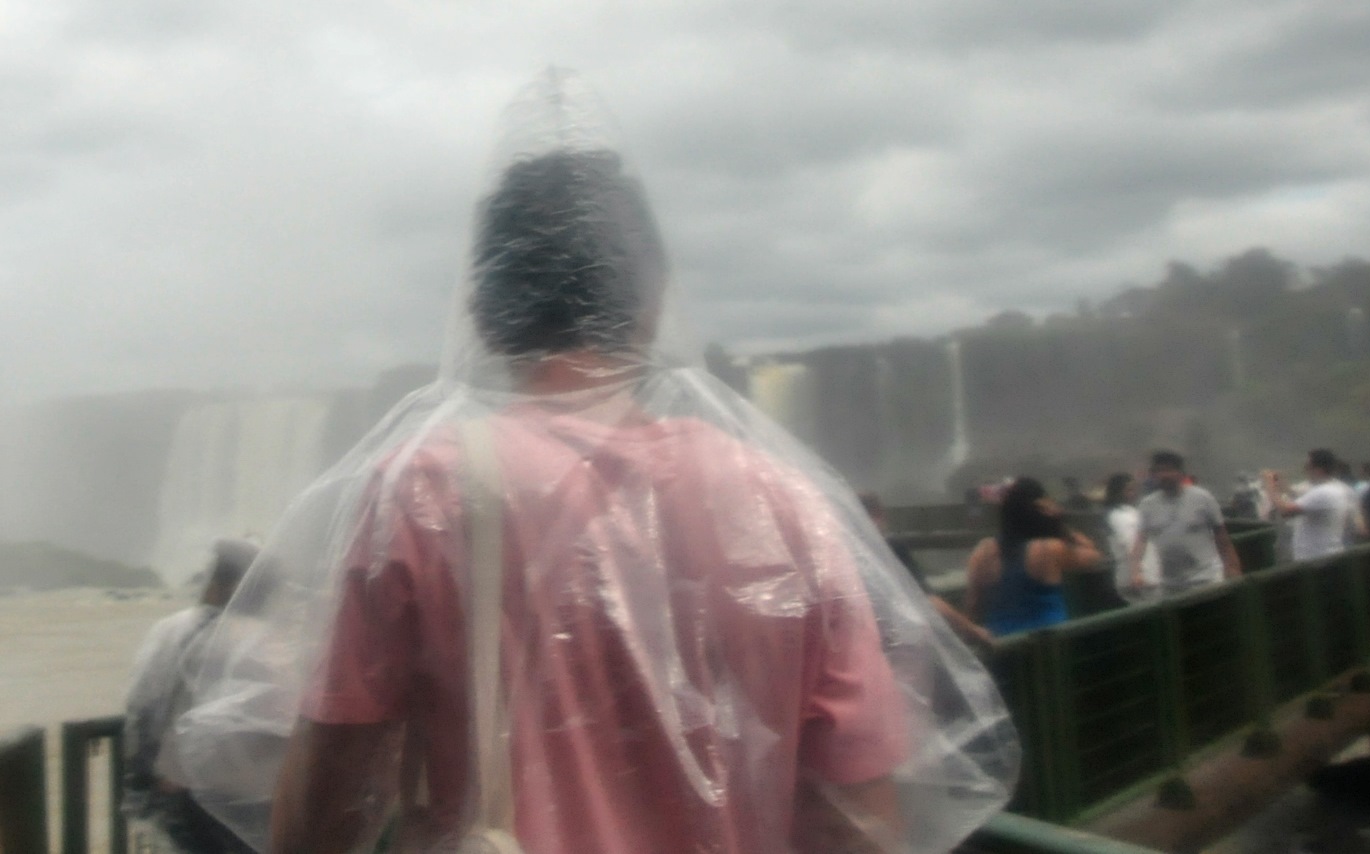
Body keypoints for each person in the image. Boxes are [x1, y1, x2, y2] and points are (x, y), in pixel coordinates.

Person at [174, 72, 1014, 854]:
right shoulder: (785, 507)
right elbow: (861, 817)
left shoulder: (418, 494)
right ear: (653, 299)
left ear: (482, 310)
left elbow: (331, 787)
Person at [123, 539, 259, 854]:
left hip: (170, 787)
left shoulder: (167, 629)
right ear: (234, 585)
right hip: (206, 793)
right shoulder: (231, 636)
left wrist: (145, 774)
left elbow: (142, 707)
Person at [964, 477, 1104, 635]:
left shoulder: (983, 550)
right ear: (1040, 510)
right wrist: (1059, 524)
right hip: (1049, 646)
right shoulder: (1048, 549)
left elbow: (973, 605)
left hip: (1001, 645)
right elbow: (1094, 555)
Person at [860, 492, 992, 650]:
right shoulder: (889, 548)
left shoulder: (843, 554)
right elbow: (928, 600)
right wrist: (973, 629)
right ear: (879, 513)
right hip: (898, 648)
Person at [1130, 451, 1243, 596]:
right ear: (1153, 475)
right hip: (1170, 584)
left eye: (1169, 470)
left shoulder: (1202, 498)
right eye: (1159, 471)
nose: (1164, 475)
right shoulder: (1147, 505)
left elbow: (1222, 537)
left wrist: (1233, 568)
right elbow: (1140, 541)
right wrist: (1135, 572)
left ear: (1181, 473)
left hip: (1206, 578)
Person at [1264, 449, 1357, 562]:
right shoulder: (1333, 488)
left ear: (1319, 470)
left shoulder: (1324, 492)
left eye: (1307, 466)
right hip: (1321, 558)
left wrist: (1269, 486)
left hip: (1318, 561)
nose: (1304, 470)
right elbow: (1303, 499)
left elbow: (1286, 511)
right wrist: (1282, 486)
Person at [1103, 473, 1160, 603]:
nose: (1133, 493)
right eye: (1129, 489)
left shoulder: (1131, 512)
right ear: (1117, 492)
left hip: (1140, 576)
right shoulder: (1120, 516)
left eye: (1134, 488)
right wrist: (1138, 573)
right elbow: (1131, 543)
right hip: (1140, 578)